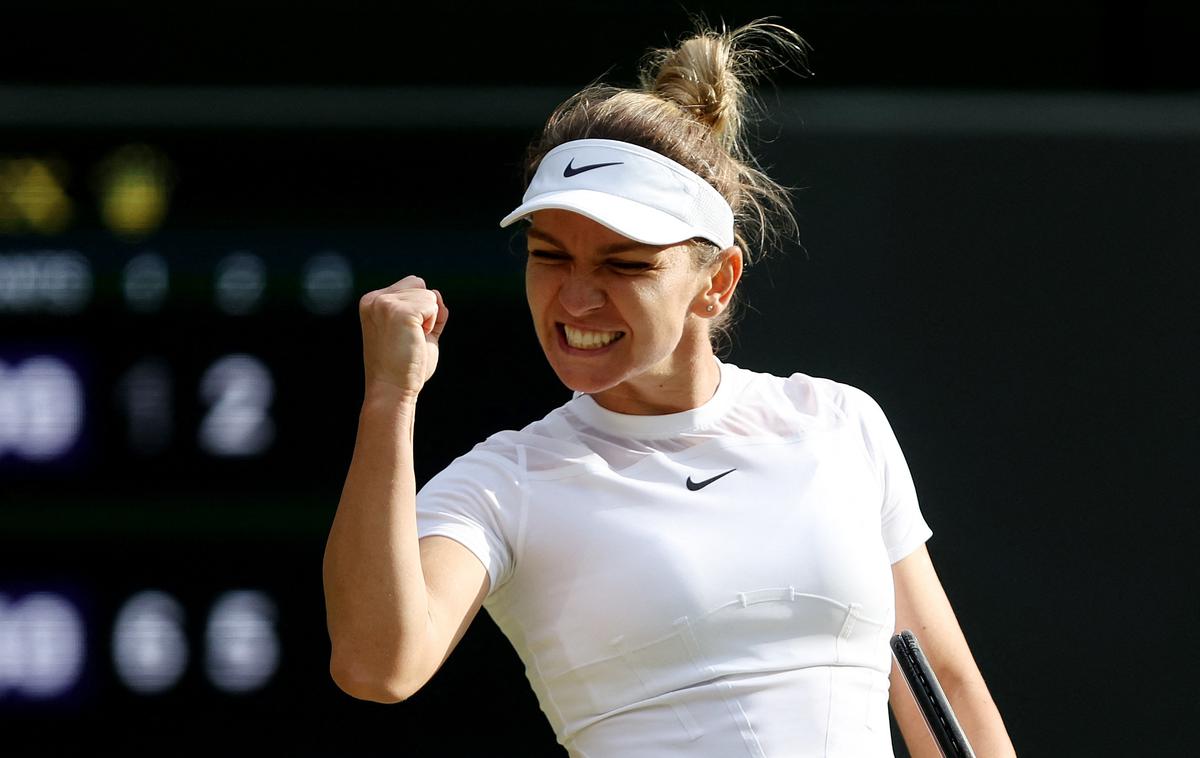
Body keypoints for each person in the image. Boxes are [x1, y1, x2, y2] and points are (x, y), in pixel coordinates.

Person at [323, 21, 1016, 757]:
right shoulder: (505, 484)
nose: (576, 299)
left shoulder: (839, 423)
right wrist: (389, 401)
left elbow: (942, 684)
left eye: (625, 265)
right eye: (549, 257)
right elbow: (377, 665)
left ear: (715, 283)